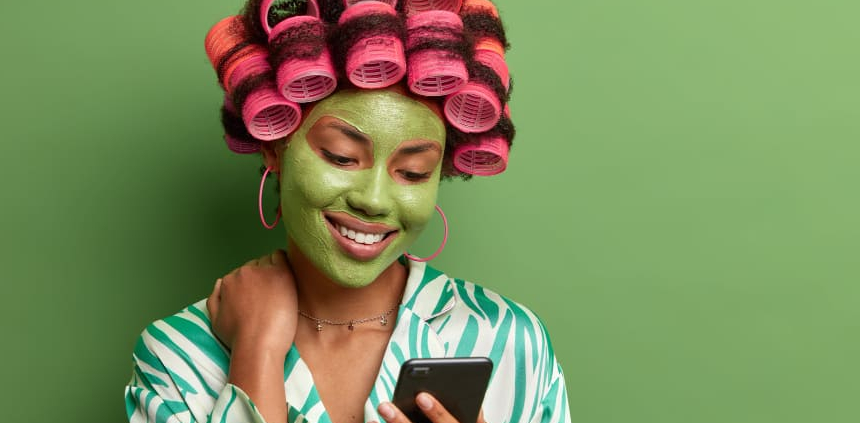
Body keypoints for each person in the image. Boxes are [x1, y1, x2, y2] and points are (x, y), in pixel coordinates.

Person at [125, 1, 570, 422]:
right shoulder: (176, 353)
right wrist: (256, 352)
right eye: (341, 157)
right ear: (275, 147)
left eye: (413, 172)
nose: (373, 200)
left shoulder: (508, 339)